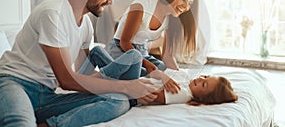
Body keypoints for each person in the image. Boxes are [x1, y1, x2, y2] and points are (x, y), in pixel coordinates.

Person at [0, 0, 159, 127]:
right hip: (11, 83)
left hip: (46, 96)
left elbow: (83, 79)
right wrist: (127, 86)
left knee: (119, 102)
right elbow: (67, 79)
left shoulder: (86, 26)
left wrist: (118, 74)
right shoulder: (53, 13)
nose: (111, 1)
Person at [84, 47, 238, 106]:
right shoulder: (185, 78)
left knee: (135, 55)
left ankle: (91, 82)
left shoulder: (183, 94)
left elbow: (151, 95)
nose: (200, 80)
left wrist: (158, 75)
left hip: (132, 87)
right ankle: (87, 77)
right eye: (205, 77)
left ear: (202, 99)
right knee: (97, 51)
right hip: (135, 79)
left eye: (204, 85)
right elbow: (155, 72)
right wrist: (161, 75)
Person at [108, 0, 199, 76]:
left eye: (190, 3)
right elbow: (124, 42)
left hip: (142, 51)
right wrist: (146, 65)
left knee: (163, 70)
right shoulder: (143, 6)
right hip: (122, 50)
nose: (186, 7)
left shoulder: (171, 18)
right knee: (144, 73)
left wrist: (180, 76)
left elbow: (167, 57)